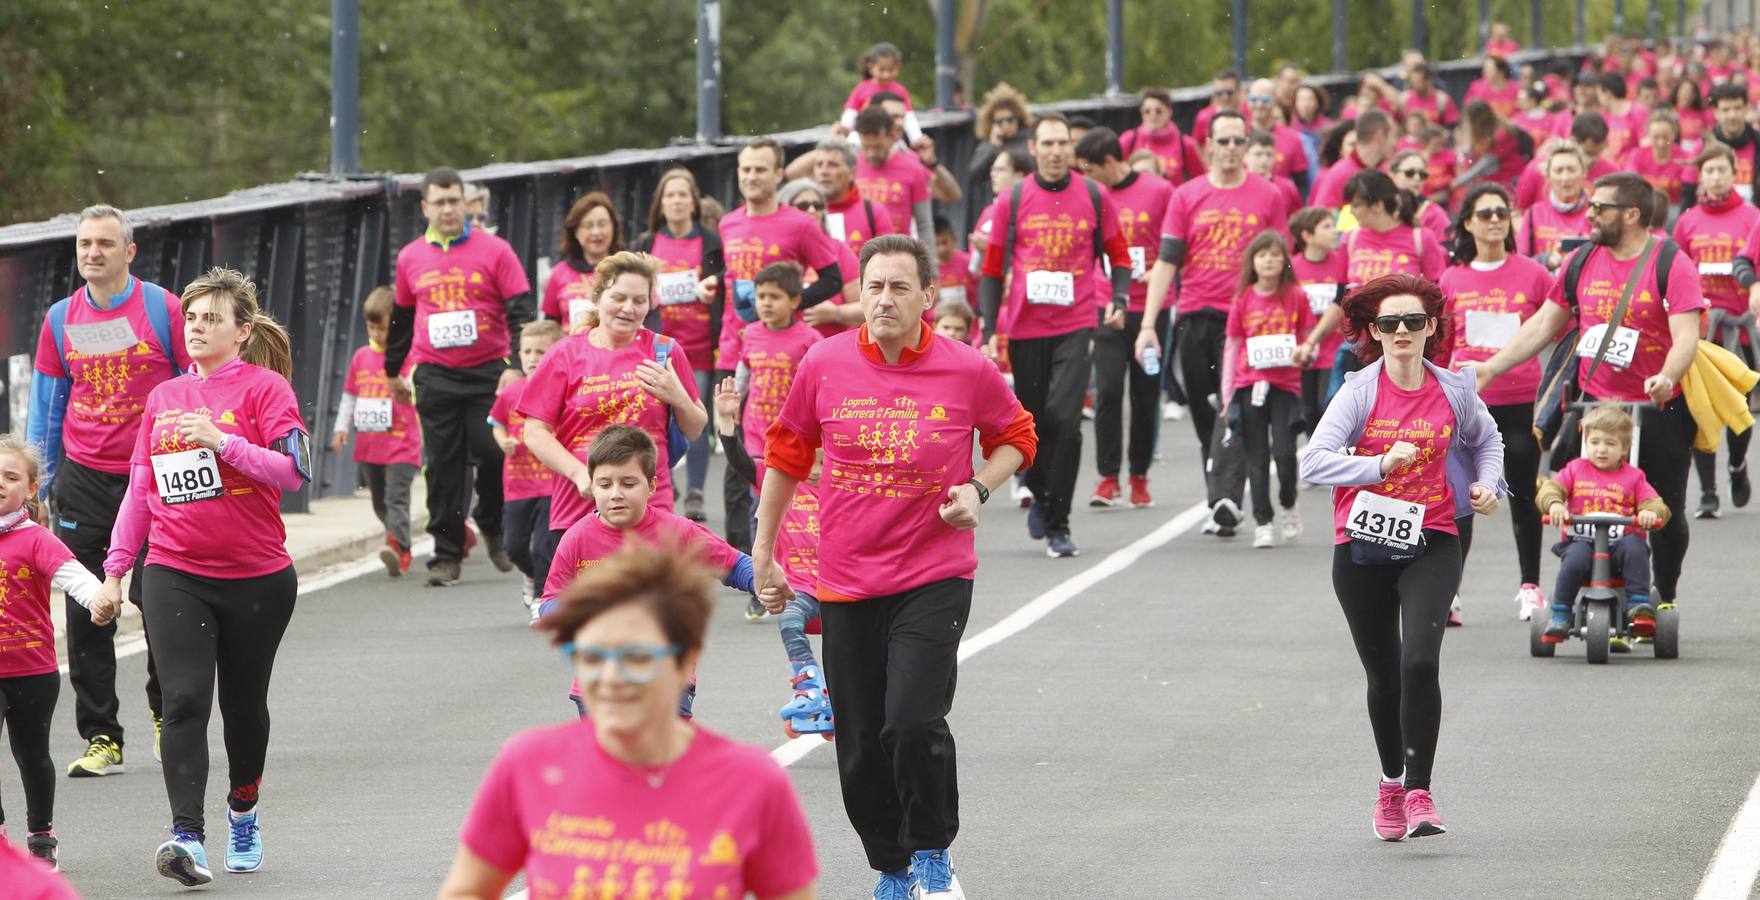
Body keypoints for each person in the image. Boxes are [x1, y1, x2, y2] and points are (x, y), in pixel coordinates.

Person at [754, 234, 1036, 899]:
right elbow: (788, 456)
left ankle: (933, 852)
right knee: (857, 742)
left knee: (910, 721)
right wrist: (763, 554)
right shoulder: (823, 364)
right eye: (874, 286)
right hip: (846, 578)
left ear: (928, 297)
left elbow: (1016, 437)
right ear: (858, 293)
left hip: (934, 576)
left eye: (899, 287)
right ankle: (891, 866)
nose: (884, 298)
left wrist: (979, 488)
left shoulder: (965, 368)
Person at [440, 545, 817, 900]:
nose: (610, 678)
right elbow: (467, 890)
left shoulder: (752, 782)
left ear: (686, 660)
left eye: (636, 657)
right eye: (590, 657)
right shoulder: (528, 765)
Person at [97, 267, 308, 885]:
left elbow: (293, 473)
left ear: (241, 331)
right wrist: (114, 572)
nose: (197, 327)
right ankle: (186, 838)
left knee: (244, 707)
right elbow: (141, 489)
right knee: (184, 697)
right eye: (191, 317)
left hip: (257, 576)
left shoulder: (267, 390)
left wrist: (224, 442)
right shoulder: (163, 397)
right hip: (173, 569)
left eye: (212, 318)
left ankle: (243, 809)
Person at [1298, 273, 1505, 844]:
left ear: (1431, 327)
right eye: (1390, 324)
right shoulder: (1359, 390)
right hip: (1361, 546)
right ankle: (1390, 784)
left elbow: (1487, 441)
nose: (1402, 332)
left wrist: (1488, 485)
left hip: (1432, 538)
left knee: (1419, 662)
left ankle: (1420, 791)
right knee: (1384, 675)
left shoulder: (1455, 389)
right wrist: (1378, 465)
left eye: (1414, 321)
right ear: (1374, 332)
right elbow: (1312, 463)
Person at [1475, 172, 1705, 615]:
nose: (1589, 214)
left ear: (1633, 214)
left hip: (1657, 406)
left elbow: (1686, 337)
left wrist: (1666, 376)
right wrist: (1490, 367)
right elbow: (1545, 325)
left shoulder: (1671, 262)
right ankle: (1582, 589)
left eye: (1600, 208)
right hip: (1592, 405)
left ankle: (1665, 595)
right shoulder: (1580, 261)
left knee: (1664, 512)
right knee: (1584, 501)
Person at [26, 204, 179, 778]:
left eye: (105, 244)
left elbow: (196, 386)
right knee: (88, 601)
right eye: (84, 243)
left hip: (158, 473)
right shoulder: (60, 318)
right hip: (86, 477)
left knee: (163, 595)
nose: (92, 253)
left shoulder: (163, 310)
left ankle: (167, 713)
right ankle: (101, 736)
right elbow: (48, 402)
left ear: (129, 251)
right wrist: (36, 478)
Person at [540, 427, 776, 718]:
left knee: (665, 758)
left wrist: (764, 584)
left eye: (628, 483)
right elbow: (551, 599)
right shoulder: (577, 538)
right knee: (607, 761)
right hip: (600, 676)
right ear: (592, 485)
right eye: (604, 485)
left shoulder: (677, 532)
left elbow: (735, 565)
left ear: (651, 486)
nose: (615, 494)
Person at [978, 113, 1132, 558]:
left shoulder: (1092, 194)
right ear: (1034, 149)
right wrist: (989, 328)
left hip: (1075, 322)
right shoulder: (1014, 198)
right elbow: (992, 269)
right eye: (1046, 143)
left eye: (1062, 143)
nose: (1055, 151)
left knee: (1065, 420)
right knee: (1035, 423)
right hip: (1024, 328)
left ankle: (1059, 523)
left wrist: (1118, 297)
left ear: (1072, 149)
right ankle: (1040, 494)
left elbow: (1118, 258)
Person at [1137, 110, 1291, 536]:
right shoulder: (1186, 196)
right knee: (1206, 408)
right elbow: (1167, 260)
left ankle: (1226, 495)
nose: (1229, 149)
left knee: (1234, 405)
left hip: (1246, 317)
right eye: (1221, 142)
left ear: (1246, 146)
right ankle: (1220, 495)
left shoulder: (1268, 195)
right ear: (1207, 146)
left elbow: (1281, 259)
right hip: (1193, 314)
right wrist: (1150, 323)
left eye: (1237, 141)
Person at [387, 166, 529, 586]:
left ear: (467, 205)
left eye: (455, 201)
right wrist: (391, 370)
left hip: (489, 372)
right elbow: (402, 318)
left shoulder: (496, 250)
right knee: (444, 466)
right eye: (440, 202)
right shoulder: (411, 257)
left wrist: (519, 367)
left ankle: (491, 520)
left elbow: (521, 310)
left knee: (491, 451)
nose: (449, 210)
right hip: (436, 374)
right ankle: (446, 554)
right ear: (426, 207)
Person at [518, 252, 708, 550]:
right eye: (619, 297)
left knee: (647, 597)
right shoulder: (564, 354)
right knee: (587, 598)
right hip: (579, 508)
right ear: (598, 297)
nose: (628, 309)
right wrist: (579, 473)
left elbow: (696, 429)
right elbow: (534, 430)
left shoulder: (664, 351)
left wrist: (678, 397)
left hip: (650, 508)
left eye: (639, 300)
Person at [715, 139, 845, 550]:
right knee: (734, 448)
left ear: (778, 175)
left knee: (778, 449)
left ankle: (778, 545)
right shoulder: (728, 223)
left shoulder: (799, 224)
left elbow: (833, 278)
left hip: (785, 350)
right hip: (736, 345)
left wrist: (789, 309)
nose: (751, 177)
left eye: (760, 169)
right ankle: (741, 555)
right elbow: (729, 283)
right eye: (745, 170)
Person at [1440, 185, 1555, 621]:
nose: (1494, 220)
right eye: (1485, 213)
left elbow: (1558, 325)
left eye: (1502, 213)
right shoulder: (1452, 279)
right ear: (1467, 223)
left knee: (1524, 495)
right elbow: (1442, 347)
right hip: (1470, 405)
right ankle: (1449, 593)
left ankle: (1530, 587)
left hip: (1522, 400)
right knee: (1461, 497)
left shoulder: (1533, 273)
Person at [0, 438, 115, 872]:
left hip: (33, 670)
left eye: (11, 478)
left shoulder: (37, 540)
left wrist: (100, 599)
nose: (1, 484)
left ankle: (41, 835)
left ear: (30, 490)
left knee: (32, 755)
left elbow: (77, 579)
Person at [710, 379, 833, 738]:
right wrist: (728, 424)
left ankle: (837, 704)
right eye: (809, 458)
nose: (814, 467)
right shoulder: (780, 481)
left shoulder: (842, 487)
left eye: (823, 461)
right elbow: (741, 463)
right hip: (802, 591)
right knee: (788, 621)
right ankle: (808, 686)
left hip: (842, 589)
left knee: (848, 658)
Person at [1075, 126, 1173, 510]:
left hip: (1152, 307)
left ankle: (1139, 477)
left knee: (1145, 394)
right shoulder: (1088, 196)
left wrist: (1162, 271)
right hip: (1107, 304)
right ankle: (1107, 477)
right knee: (1109, 390)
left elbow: (1175, 242)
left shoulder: (1159, 191)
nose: (1084, 177)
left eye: (1089, 168)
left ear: (1110, 162)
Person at [631, 168, 725, 522]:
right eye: (670, 195)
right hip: (656, 346)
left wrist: (714, 281)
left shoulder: (711, 240)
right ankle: (661, 479)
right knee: (652, 421)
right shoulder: (646, 243)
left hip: (700, 345)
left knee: (691, 416)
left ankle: (697, 491)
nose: (677, 201)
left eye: (683, 194)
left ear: (693, 201)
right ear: (661, 202)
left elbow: (726, 277)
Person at [1535, 403, 1670, 640]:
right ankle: (1560, 612)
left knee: (1636, 548)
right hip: (1582, 543)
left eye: (1610, 443)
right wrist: (1555, 504)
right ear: (1586, 443)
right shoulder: (1575, 469)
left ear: (1625, 447)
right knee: (1574, 559)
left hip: (1620, 546)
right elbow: (1550, 489)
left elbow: (1655, 503)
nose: (1601, 450)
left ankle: (1639, 605)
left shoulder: (1634, 476)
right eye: (1595, 442)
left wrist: (1651, 513)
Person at [734, 262, 823, 618]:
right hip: (757, 437)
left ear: (795, 300)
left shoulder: (808, 340)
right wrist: (730, 411)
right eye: (760, 297)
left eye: (775, 297)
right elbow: (743, 377)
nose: (766, 303)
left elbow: (819, 388)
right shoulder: (751, 333)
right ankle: (762, 582)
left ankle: (804, 575)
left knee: (794, 509)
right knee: (761, 508)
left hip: (794, 440)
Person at [1675, 143, 1759, 517]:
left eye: (1722, 170)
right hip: (1702, 332)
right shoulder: (1688, 219)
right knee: (1700, 411)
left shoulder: (1752, 217)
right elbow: (1674, 269)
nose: (1715, 177)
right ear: (1701, 177)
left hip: (1743, 332)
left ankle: (1738, 466)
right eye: (1708, 171)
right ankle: (1708, 492)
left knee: (1741, 414)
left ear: (1734, 172)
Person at [1224, 231, 1317, 547]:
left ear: (1285, 260)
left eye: (1276, 254)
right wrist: (1227, 396)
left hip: (1285, 386)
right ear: (1252, 261)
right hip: (1250, 385)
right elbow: (1233, 347)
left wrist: (1306, 353)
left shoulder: (1296, 296)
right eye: (1262, 254)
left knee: (1284, 452)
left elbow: (1308, 338)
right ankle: (1262, 520)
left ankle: (1289, 503)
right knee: (1257, 456)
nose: (1269, 260)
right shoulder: (1243, 299)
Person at [330, 286, 421, 578]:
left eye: (382, 328)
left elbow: (419, 389)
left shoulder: (409, 355)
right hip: (370, 445)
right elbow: (350, 396)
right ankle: (396, 536)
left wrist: (407, 389)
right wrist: (341, 428)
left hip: (402, 444)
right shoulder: (360, 357)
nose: (378, 334)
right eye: (372, 327)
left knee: (396, 498)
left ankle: (399, 547)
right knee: (380, 501)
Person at [489, 319, 564, 614]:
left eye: (541, 352)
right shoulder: (511, 391)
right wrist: (501, 441)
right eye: (527, 352)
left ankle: (542, 598)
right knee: (514, 547)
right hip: (517, 484)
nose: (533, 358)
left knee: (545, 545)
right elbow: (496, 424)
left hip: (551, 483)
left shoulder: (563, 388)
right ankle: (532, 575)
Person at [778, 179, 865, 338]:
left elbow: (867, 308)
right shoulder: (777, 251)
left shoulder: (839, 250)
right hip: (782, 348)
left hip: (831, 348)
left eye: (817, 205)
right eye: (803, 206)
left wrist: (835, 313)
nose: (812, 210)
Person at [1289, 206, 1349, 431]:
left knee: (1329, 410)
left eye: (1333, 225)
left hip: (1335, 349)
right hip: (1304, 352)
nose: (1334, 231)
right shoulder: (1292, 268)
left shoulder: (1341, 262)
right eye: (1326, 227)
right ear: (1307, 235)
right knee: (1309, 412)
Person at [543, 192, 625, 332]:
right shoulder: (559, 273)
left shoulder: (627, 269)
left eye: (602, 224)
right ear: (575, 231)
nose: (596, 232)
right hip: (571, 352)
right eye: (588, 225)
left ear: (614, 227)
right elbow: (551, 326)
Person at [854, 106, 934, 240]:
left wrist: (931, 260)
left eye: (877, 146)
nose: (871, 153)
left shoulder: (913, 169)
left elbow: (924, 224)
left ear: (893, 136)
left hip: (896, 252)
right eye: (866, 147)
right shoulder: (850, 166)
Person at [1517, 141, 1594, 272]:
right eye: (1558, 171)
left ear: (1584, 172)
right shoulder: (1534, 213)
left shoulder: (1595, 212)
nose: (1565, 178)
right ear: (1548, 175)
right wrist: (1546, 260)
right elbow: (1521, 262)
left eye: (1571, 169)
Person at [814, 139, 897, 258]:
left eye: (833, 164)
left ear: (852, 173)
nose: (824, 171)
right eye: (819, 164)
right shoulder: (803, 213)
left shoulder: (874, 212)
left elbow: (888, 263)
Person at [1514, 111, 1613, 211]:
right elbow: (1518, 210)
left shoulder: (1610, 172)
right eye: (1588, 153)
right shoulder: (1538, 168)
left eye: (1599, 152)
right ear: (1573, 141)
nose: (1593, 159)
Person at [836, 40, 924, 146]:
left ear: (898, 67)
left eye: (891, 70)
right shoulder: (862, 88)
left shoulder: (900, 91)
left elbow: (909, 117)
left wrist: (917, 138)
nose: (886, 75)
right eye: (882, 70)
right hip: (863, 137)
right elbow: (851, 113)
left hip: (891, 139)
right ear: (871, 68)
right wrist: (845, 128)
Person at [1311, 110, 1396, 210]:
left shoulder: (1385, 171)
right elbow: (1321, 217)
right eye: (1392, 136)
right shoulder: (1340, 173)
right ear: (1379, 136)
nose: (1395, 143)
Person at [966, 82, 1031, 205]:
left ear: (1019, 118)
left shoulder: (1028, 140)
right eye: (999, 122)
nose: (1005, 125)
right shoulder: (988, 145)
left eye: (1010, 120)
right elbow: (975, 176)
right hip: (997, 204)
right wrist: (993, 147)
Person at [1120, 86, 1196, 186]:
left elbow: (1199, 180)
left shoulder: (1185, 143)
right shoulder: (1128, 140)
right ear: (1141, 113)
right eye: (1147, 111)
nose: (1153, 115)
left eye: (1158, 111)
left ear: (1169, 112)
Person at [1246, 78, 1311, 195]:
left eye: (1265, 99)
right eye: (1254, 99)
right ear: (1247, 101)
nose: (1259, 105)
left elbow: (1302, 184)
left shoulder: (1293, 138)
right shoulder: (1237, 137)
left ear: (1275, 101)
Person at [1627, 110, 1693, 207]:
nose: (1661, 143)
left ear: (1674, 135)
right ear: (1648, 135)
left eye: (1666, 137)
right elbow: (1630, 185)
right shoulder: (1637, 155)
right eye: (1656, 137)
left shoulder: (1685, 158)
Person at [1706, 83, 1759, 202]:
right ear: (1716, 112)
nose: (1732, 115)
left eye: (1737, 108)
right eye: (1726, 110)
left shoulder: (1758, 142)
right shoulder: (1703, 146)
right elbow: (1689, 192)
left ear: (1746, 108)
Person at [1388, 149, 1450, 244]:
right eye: (1410, 173)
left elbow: (1445, 253)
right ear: (1392, 176)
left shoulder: (1435, 214)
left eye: (1422, 174)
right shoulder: (1380, 208)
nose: (1417, 178)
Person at [1595, 71, 1650, 161]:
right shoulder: (1603, 115)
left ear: (1607, 94)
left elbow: (1646, 144)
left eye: (1599, 95)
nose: (1599, 100)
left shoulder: (1639, 112)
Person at [1247, 132, 1304, 218]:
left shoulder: (1287, 187)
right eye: (1258, 154)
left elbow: (1297, 219)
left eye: (1269, 155)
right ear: (1245, 156)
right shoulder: (1238, 185)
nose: (1264, 160)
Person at [1193, 70, 1244, 146]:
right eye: (1219, 93)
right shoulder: (1204, 116)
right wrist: (1206, 158)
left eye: (1229, 92)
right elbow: (1198, 143)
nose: (1225, 97)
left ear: (1239, 91)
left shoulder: (1250, 112)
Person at [1401, 63, 1460, 128]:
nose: (1414, 86)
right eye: (1413, 82)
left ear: (1428, 80)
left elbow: (1452, 127)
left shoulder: (1443, 100)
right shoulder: (1405, 99)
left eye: (1418, 82)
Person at [1467, 55, 1520, 119]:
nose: (1484, 72)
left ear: (1501, 71)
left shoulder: (1517, 89)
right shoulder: (1476, 87)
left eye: (1488, 69)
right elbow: (1469, 111)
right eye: (1484, 69)